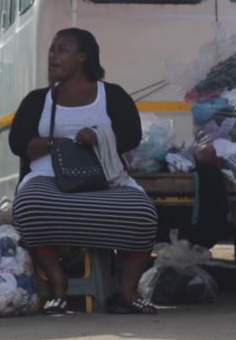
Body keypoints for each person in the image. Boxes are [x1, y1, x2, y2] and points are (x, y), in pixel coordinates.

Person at [9, 28, 158, 314]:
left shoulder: (111, 95)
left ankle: (127, 292)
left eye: (62, 50)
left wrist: (98, 135)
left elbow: (132, 135)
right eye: (52, 50)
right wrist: (56, 143)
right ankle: (58, 285)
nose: (53, 56)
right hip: (50, 178)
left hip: (104, 178)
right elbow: (18, 143)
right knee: (29, 206)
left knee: (142, 214)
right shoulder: (38, 99)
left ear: (82, 57)